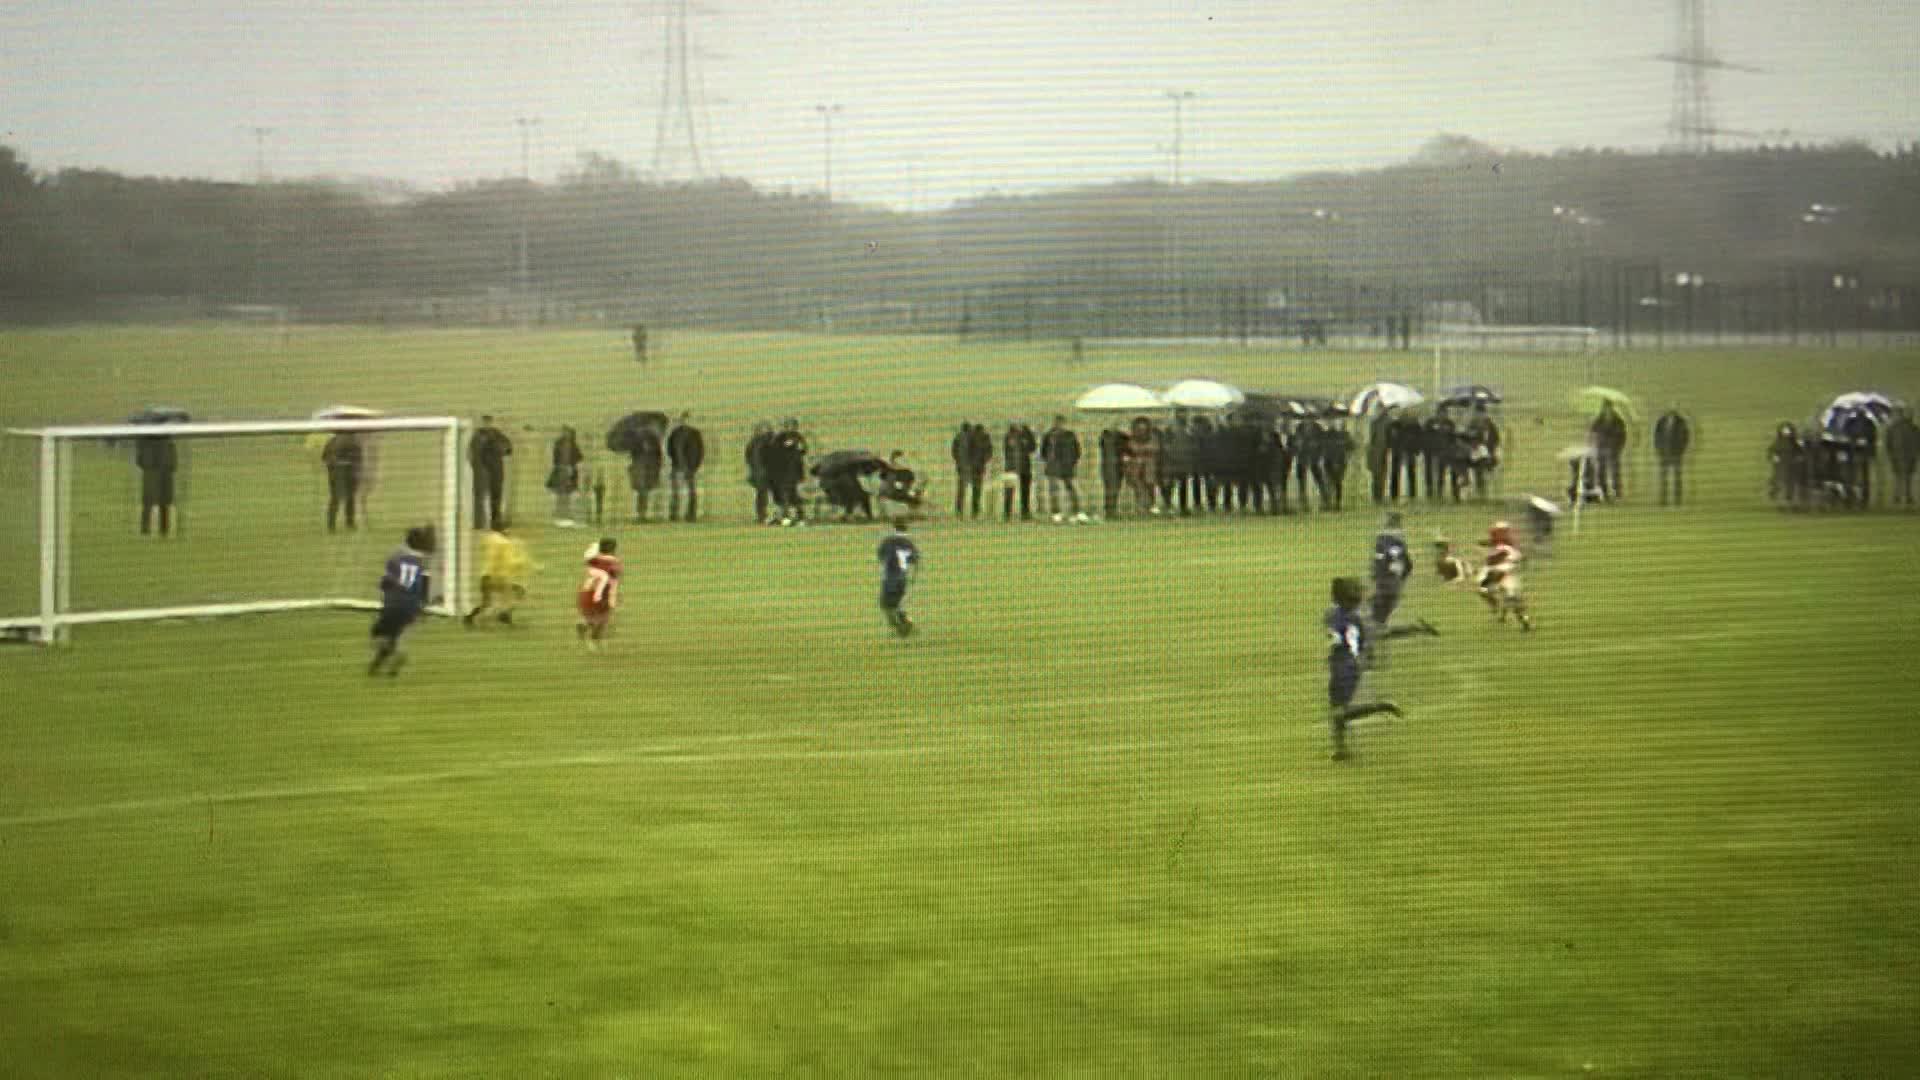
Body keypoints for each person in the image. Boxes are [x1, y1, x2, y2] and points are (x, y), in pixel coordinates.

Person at [1323, 577, 1404, 762]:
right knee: (1336, 710)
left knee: (1338, 712)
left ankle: (1380, 706)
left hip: (1345, 667)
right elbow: (1370, 637)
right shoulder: (1355, 619)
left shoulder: (1332, 615)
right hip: (1342, 664)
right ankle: (1341, 749)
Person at [1367, 512, 1440, 666]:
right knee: (1377, 623)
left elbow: (1378, 564)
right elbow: (1408, 565)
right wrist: (1400, 583)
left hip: (1384, 586)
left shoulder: (1382, 541)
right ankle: (1416, 630)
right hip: (1394, 587)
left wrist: (1375, 580)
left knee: (1372, 623)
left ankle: (1372, 658)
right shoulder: (1400, 542)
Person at [368, 525, 435, 677]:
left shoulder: (396, 556)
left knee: (377, 633)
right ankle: (378, 665)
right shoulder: (423, 562)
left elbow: (386, 582)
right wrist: (422, 608)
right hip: (411, 606)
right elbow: (425, 588)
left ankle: (395, 654)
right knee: (394, 634)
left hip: (394, 602)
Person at [466, 521, 535, 628]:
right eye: (509, 529)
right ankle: (503, 616)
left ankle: (469, 618)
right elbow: (509, 562)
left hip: (485, 575)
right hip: (498, 577)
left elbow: (485, 551)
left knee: (486, 603)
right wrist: (522, 562)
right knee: (519, 592)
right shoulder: (505, 544)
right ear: (505, 529)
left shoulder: (489, 538)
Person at [1477, 521, 1534, 631]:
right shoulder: (1502, 546)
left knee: (1511, 598)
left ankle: (1524, 621)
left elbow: (1509, 559)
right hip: (1496, 573)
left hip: (1504, 575)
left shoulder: (1508, 548)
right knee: (1488, 592)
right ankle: (1500, 611)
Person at [876, 517, 920, 638]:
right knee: (895, 605)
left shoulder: (888, 541)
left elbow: (881, 558)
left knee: (885, 605)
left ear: (893, 527)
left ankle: (902, 627)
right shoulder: (908, 542)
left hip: (890, 578)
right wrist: (912, 578)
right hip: (903, 578)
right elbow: (915, 561)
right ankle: (904, 625)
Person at [576, 538, 621, 653]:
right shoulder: (614, 564)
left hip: (586, 593)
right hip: (602, 595)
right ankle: (594, 641)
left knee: (592, 617)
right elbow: (613, 583)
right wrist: (612, 600)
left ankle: (585, 625)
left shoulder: (593, 560)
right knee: (602, 620)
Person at [469, 415, 513, 530]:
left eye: (489, 422)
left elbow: (508, 449)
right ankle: (479, 523)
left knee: (496, 497)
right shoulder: (478, 436)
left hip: (496, 471)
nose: (487, 424)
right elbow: (472, 454)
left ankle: (496, 522)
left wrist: (501, 447)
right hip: (481, 471)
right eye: (485, 422)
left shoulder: (498, 435)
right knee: (480, 497)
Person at [1041, 415, 1085, 522]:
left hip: (1068, 467)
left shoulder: (1070, 435)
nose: (1059, 425)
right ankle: (1056, 513)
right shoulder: (1049, 436)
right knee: (1054, 491)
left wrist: (1073, 462)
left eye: (1061, 423)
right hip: (1053, 467)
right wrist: (1049, 462)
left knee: (1073, 489)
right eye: (1057, 423)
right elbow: (1043, 451)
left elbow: (1077, 450)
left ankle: (1078, 512)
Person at [135, 433, 179, 537]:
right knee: (148, 500)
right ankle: (145, 530)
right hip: (151, 466)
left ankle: (164, 530)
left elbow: (171, 449)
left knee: (165, 500)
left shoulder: (167, 432)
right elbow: (139, 456)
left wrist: (171, 464)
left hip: (165, 466)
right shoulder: (144, 433)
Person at [322, 430, 363, 533]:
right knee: (350, 499)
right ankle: (350, 523)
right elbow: (358, 459)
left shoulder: (331, 441)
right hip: (348, 474)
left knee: (335, 499)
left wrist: (332, 466)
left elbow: (324, 458)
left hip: (335, 475)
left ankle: (331, 525)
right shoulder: (354, 441)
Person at [769, 418, 809, 524]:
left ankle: (798, 516)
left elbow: (803, 450)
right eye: (790, 426)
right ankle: (786, 517)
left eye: (794, 426)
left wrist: (800, 448)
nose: (792, 428)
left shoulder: (798, 437)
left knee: (793, 495)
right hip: (782, 472)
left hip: (794, 471)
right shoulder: (779, 438)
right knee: (785, 495)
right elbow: (774, 452)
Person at [667, 412, 705, 522]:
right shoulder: (675, 433)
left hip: (690, 467)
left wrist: (695, 465)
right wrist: (674, 461)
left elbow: (700, 451)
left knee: (691, 491)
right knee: (676, 492)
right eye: (684, 419)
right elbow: (669, 449)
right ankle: (674, 514)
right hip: (677, 466)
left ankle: (691, 514)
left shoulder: (695, 434)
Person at [546, 426, 585, 527]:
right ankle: (561, 516)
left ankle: (564, 516)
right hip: (563, 472)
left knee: (566, 495)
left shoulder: (570, 444)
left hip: (567, 472)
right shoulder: (562, 444)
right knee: (562, 495)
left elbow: (578, 457)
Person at [1653, 407, 1692, 507]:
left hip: (1676, 454)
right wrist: (1659, 450)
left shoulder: (1681, 423)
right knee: (1663, 478)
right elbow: (1656, 437)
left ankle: (1677, 500)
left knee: (1677, 478)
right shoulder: (1661, 423)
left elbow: (1685, 438)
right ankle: (1663, 499)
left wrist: (1681, 451)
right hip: (1664, 454)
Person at [1589, 402, 1628, 501]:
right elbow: (1592, 434)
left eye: (1609, 408)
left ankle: (1617, 493)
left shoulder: (1618, 421)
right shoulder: (1598, 420)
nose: (1607, 410)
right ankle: (1604, 493)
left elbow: (1623, 435)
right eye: (1605, 408)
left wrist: (1619, 447)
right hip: (1601, 449)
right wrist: (1595, 444)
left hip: (1613, 450)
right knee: (1601, 472)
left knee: (1615, 472)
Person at [951, 422, 989, 519]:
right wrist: (982, 463)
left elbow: (954, 452)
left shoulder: (959, 437)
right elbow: (986, 452)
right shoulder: (980, 437)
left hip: (965, 467)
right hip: (976, 468)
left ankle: (960, 511)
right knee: (975, 490)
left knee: (962, 490)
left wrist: (959, 463)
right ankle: (974, 512)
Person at [627, 422, 664, 522]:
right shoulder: (636, 442)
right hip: (642, 469)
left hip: (646, 469)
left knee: (645, 491)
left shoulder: (652, 440)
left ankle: (643, 514)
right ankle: (641, 514)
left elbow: (658, 455)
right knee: (642, 491)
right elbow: (632, 456)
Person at [1160, 413, 1196, 516]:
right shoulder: (1169, 433)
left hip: (1181, 464)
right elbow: (1166, 448)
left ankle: (1182, 507)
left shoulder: (1187, 434)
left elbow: (1191, 449)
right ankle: (1168, 507)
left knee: (1181, 487)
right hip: (1172, 464)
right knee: (1169, 486)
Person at [1002, 420, 1037, 521]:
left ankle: (1023, 513)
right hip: (1013, 467)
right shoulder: (1010, 436)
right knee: (1010, 490)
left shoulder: (1021, 435)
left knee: (1024, 491)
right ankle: (1008, 513)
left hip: (1022, 467)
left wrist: (1029, 434)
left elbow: (1032, 448)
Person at [1125, 416, 1160, 514]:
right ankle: (1140, 506)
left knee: (1150, 485)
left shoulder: (1152, 438)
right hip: (1136, 466)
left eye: (1143, 429)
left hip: (1149, 466)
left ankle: (1152, 505)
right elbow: (1131, 448)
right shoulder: (1132, 438)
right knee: (1138, 486)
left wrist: (1142, 452)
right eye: (1139, 429)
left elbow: (1155, 448)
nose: (1141, 431)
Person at [1422, 409, 1456, 504]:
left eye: (1444, 414)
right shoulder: (1430, 422)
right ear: (1437, 414)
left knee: (1442, 470)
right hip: (1430, 450)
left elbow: (1453, 436)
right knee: (1429, 470)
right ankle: (1429, 489)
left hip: (1444, 450)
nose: (1442, 416)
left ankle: (1440, 490)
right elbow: (1424, 434)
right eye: (1440, 413)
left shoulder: (1450, 423)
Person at [1886, 408, 1919, 506]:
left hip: (1907, 455)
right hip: (1900, 455)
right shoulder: (1895, 428)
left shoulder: (1914, 428)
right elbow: (1889, 443)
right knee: (1900, 477)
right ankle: (1899, 496)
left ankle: (1904, 496)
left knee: (1905, 477)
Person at [746, 421, 775, 523]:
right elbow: (750, 457)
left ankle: (765, 515)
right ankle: (762, 515)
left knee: (763, 494)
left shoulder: (767, 441)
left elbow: (749, 457)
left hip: (764, 472)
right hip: (761, 473)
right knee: (762, 494)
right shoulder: (755, 442)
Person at [1098, 423, 1126, 518]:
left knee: (1113, 489)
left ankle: (1111, 510)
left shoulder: (1119, 438)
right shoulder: (1107, 439)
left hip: (1115, 466)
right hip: (1110, 467)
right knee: (1111, 489)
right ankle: (1110, 511)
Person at [1366, 409, 1392, 506]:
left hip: (1381, 450)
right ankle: (1377, 496)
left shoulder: (1380, 422)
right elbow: (1373, 437)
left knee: (1380, 474)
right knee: (1378, 474)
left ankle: (1378, 496)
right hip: (1378, 450)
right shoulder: (1377, 422)